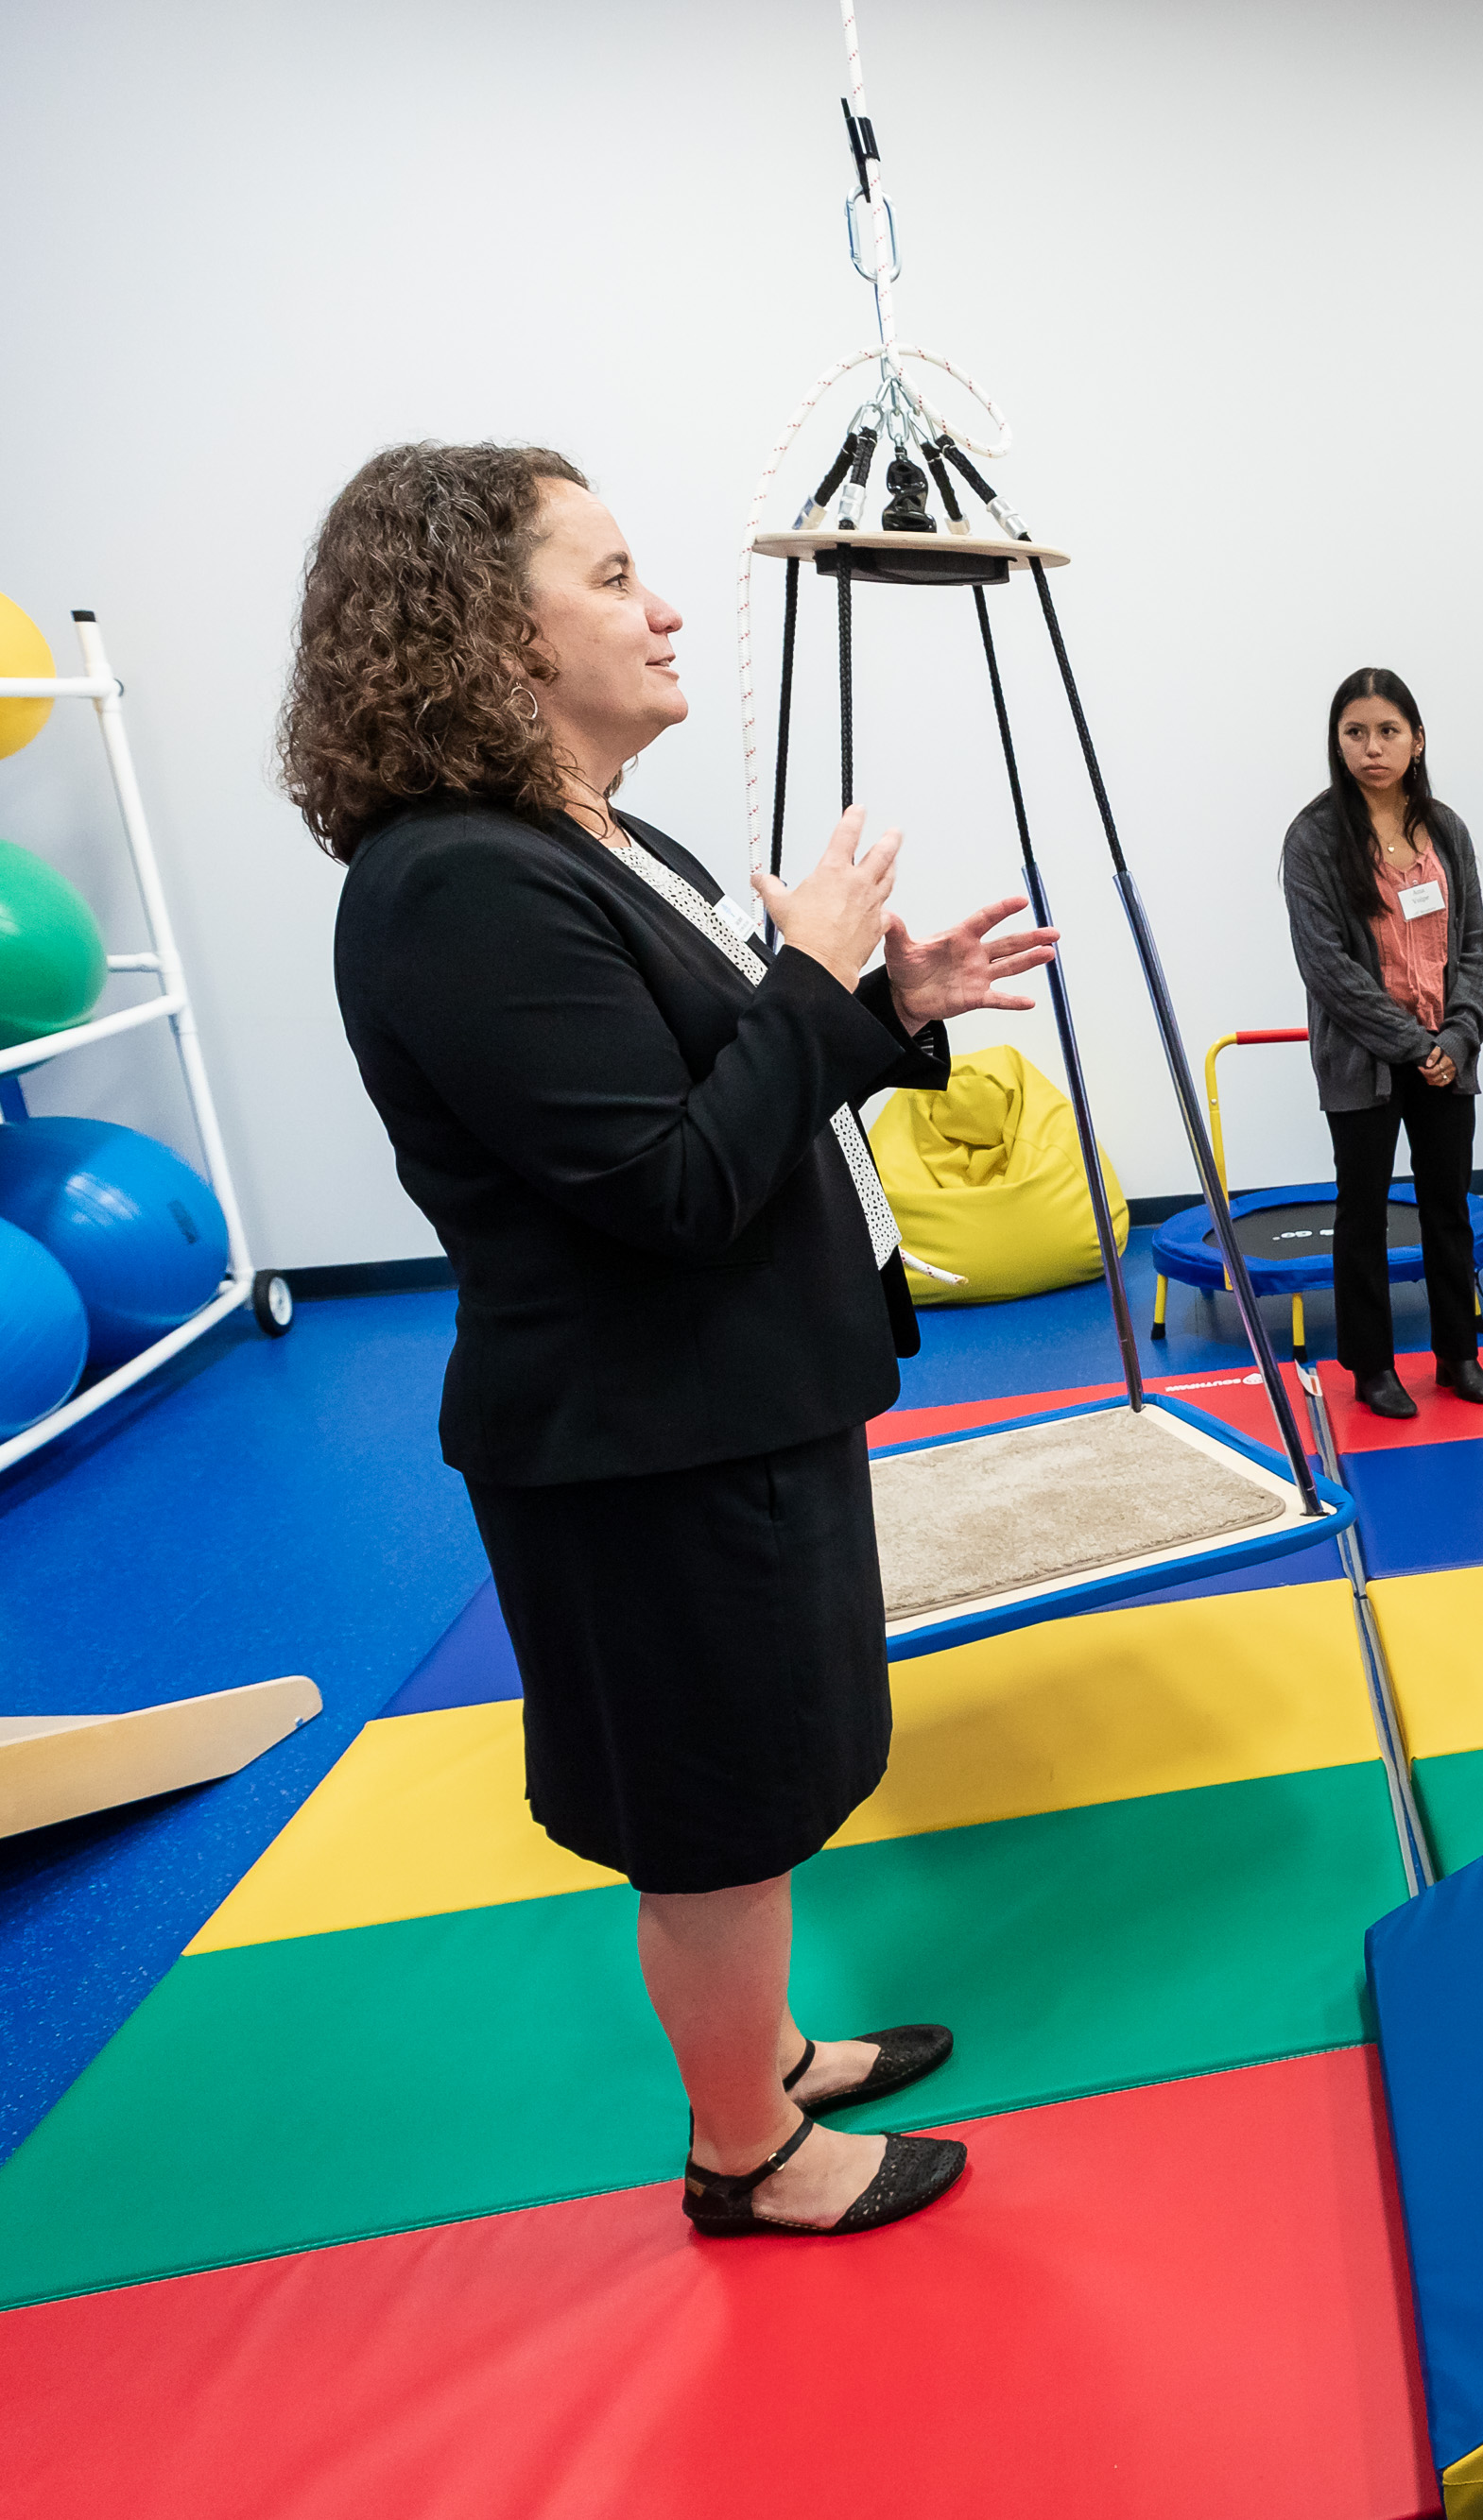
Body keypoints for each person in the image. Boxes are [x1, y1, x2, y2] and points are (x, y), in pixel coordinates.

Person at [309, 445, 1055, 2237]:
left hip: (735, 1402)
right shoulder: (455, 887)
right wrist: (808, 978)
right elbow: (665, 1187)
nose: (662, 609)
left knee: (769, 1762)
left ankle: (765, 2049)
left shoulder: (606, 840)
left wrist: (879, 1007)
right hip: (638, 1439)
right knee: (715, 1807)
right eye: (614, 574)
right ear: (484, 631)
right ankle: (748, 2153)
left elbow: (722, 1083)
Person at [1283, 669, 1483, 1416]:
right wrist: (1413, 1043)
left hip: (1447, 1056)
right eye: (1355, 732)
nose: (1371, 747)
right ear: (1337, 741)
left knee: (1448, 1206)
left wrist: (1459, 1037)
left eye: (1387, 731)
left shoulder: (1446, 829)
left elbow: (1474, 942)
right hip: (1366, 1060)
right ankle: (1372, 1366)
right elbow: (1329, 969)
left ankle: (1457, 1354)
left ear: (1417, 739)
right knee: (1362, 1210)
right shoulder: (1312, 837)